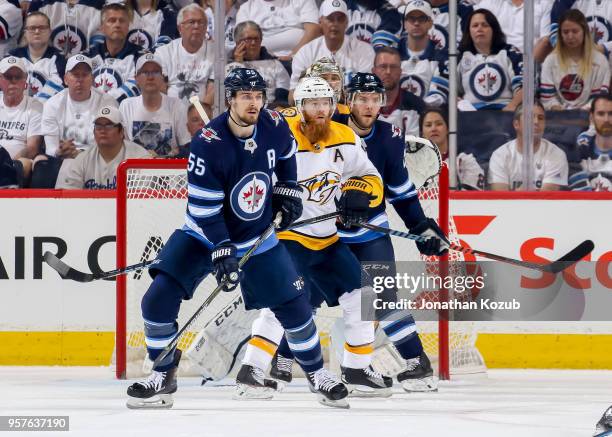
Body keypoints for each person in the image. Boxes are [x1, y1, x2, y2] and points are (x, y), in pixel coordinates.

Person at [125, 68, 349, 409]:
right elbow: (204, 210)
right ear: (230, 99)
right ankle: (163, 374)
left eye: (258, 95)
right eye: (246, 96)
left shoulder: (273, 125)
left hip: (257, 238)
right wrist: (221, 249)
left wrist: (287, 188)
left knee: (295, 306)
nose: (254, 102)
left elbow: (287, 155)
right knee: (156, 300)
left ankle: (318, 374)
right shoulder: (207, 144)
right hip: (201, 236)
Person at [266, 73, 450, 393]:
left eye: (375, 99)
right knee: (302, 296)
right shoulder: (326, 119)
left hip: (369, 232)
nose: (368, 105)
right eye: (361, 98)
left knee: (379, 298)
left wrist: (420, 225)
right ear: (347, 100)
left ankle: (416, 362)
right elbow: (289, 119)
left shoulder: (390, 136)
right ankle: (283, 360)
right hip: (324, 233)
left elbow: (400, 188)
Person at [237, 76, 393, 399]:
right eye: (312, 104)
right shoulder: (281, 134)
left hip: (326, 239)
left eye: (325, 104)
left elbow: (369, 177)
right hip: (287, 238)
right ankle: (251, 369)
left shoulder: (345, 138)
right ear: (300, 105)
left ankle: (356, 368)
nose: (320, 111)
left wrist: (358, 194)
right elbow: (251, 168)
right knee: (285, 302)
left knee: (362, 294)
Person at [41, 54, 118, 158]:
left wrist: (80, 155)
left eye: (85, 74)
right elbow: (50, 148)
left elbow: (112, 145)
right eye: (75, 74)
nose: (80, 79)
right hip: (63, 160)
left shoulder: (108, 103)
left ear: (92, 79)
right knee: (41, 162)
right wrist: (59, 151)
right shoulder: (52, 104)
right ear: (65, 79)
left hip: (97, 160)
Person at [55, 105, 151, 189]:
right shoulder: (83, 159)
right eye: (98, 126)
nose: (103, 131)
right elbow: (68, 196)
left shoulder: (140, 158)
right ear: (93, 132)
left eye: (109, 126)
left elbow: (142, 201)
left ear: (121, 132)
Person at [290, 0, 375, 92]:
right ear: (320, 22)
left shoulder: (364, 50)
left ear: (346, 23)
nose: (335, 24)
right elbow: (293, 94)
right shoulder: (306, 53)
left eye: (340, 19)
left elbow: (366, 91)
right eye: (330, 19)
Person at [119, 53, 191, 157]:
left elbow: (186, 147)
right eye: (145, 72)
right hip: (134, 170)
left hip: (169, 170)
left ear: (162, 77)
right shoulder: (126, 106)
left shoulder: (177, 106)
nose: (150, 77)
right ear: (136, 79)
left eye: (156, 72)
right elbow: (121, 148)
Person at [488, 102, 569, 191]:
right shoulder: (500, 155)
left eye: (541, 118)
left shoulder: (556, 154)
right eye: (530, 117)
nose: (536, 122)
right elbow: (500, 198)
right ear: (516, 124)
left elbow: (547, 198)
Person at [540, 9, 610, 111]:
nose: (570, 36)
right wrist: (558, 108)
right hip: (558, 118)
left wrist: (580, 112)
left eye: (575, 31)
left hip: (589, 117)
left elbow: (599, 99)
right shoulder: (550, 61)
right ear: (560, 34)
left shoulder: (600, 61)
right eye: (565, 32)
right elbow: (547, 99)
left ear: (585, 31)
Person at [457, 8, 524, 111]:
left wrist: (511, 107)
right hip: (470, 115)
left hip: (505, 113)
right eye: (475, 25)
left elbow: (525, 87)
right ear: (469, 31)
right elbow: (450, 91)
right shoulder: (459, 56)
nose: (479, 28)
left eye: (485, 25)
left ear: (494, 29)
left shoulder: (510, 53)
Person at [154, 3, 215, 105]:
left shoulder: (216, 52)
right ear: (180, 28)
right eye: (191, 22)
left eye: (201, 22)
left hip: (202, 112)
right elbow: (161, 89)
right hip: (171, 110)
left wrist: (199, 116)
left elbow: (212, 91)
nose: (196, 26)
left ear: (206, 27)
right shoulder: (164, 52)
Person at [84, 3, 143, 103]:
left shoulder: (140, 56)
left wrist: (100, 101)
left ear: (128, 26)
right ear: (102, 28)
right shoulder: (88, 55)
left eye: (122, 21)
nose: (117, 24)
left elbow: (137, 86)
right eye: (112, 20)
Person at [420, 106, 485, 190]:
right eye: (428, 125)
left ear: (448, 129)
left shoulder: (466, 162)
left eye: (439, 124)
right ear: (422, 133)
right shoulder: (412, 164)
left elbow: (473, 200)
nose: (433, 128)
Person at [398, 0, 449, 106]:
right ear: (405, 23)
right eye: (412, 19)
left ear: (430, 23)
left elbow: (438, 95)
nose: (416, 23)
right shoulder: (394, 52)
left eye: (422, 18)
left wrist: (418, 107)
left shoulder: (442, 56)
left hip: (428, 115)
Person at [229, 21, 290, 107]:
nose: (253, 43)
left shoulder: (275, 64)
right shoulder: (229, 66)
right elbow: (231, 95)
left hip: (271, 111)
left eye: (256, 39)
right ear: (238, 42)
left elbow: (283, 95)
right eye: (249, 39)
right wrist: (238, 64)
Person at [9, 11, 66, 102]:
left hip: (46, 112)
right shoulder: (12, 57)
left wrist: (32, 107)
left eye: (42, 28)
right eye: (32, 28)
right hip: (15, 111)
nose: (37, 31)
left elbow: (57, 92)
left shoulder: (60, 59)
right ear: (25, 32)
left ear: (49, 32)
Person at [235, 0, 321, 60]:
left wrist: (293, 56)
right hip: (260, 64)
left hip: (299, 60)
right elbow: (241, 41)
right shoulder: (245, 9)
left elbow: (314, 30)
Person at [373, 46, 425, 138]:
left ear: (400, 72)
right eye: (383, 66)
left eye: (393, 67)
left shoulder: (416, 106)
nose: (388, 72)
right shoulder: (361, 105)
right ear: (374, 71)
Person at [0, 57, 43, 162]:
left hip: (17, 164)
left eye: (18, 77)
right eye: (8, 76)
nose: (13, 81)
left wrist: (8, 165)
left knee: (24, 164)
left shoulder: (35, 106)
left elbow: (32, 148)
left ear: (25, 79)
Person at [29, 0, 105, 56]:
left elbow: (98, 46)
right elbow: (32, 42)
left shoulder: (99, 5)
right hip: (48, 65)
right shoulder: (41, 4)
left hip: (83, 68)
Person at [569, 94, 612, 191]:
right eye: (601, 114)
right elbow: (578, 198)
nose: (606, 119)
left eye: (611, 114)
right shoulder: (578, 153)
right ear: (591, 117)